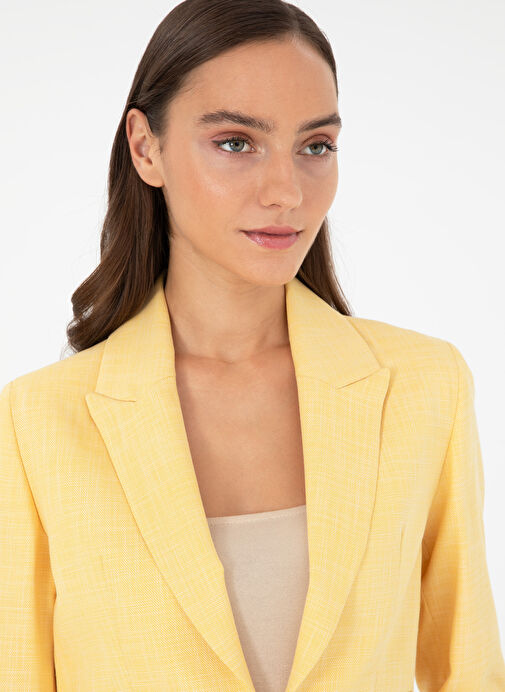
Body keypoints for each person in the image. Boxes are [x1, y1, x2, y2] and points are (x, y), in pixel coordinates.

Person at [1, 0, 504, 690]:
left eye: (315, 146)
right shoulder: (38, 422)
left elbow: (469, 673)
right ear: (146, 148)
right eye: (236, 143)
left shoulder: (424, 387)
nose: (285, 191)